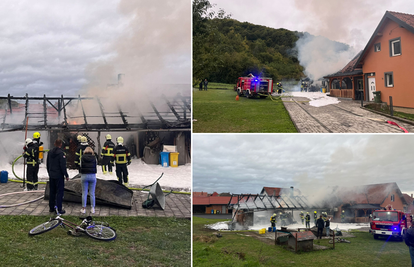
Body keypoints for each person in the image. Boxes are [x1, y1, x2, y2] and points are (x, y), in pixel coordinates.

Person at [47, 139, 69, 214]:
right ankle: (59, 209)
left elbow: (48, 163)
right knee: (59, 192)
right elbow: (62, 166)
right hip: (59, 176)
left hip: (52, 175)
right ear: (60, 145)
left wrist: (49, 172)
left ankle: (51, 207)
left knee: (52, 192)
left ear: (54, 143)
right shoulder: (61, 154)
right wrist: (66, 175)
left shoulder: (50, 152)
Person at [80, 147, 97, 214]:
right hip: (92, 176)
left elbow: (80, 165)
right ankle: (92, 208)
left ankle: (83, 208)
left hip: (84, 175)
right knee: (92, 193)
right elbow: (95, 165)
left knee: (84, 193)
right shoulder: (94, 158)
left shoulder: (82, 157)